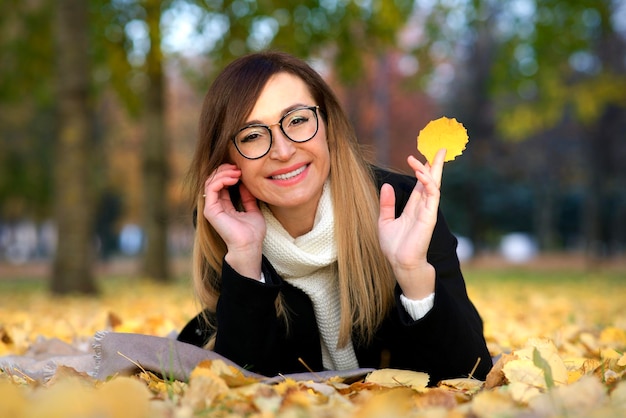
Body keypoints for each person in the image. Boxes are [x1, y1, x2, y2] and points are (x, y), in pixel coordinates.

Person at [178, 51, 492, 385]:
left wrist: (412, 272)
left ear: (327, 123)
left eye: (297, 120)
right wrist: (244, 259)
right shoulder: (227, 223)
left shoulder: (405, 204)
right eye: (252, 135)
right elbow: (239, 388)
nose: (282, 151)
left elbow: (471, 374)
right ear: (227, 157)